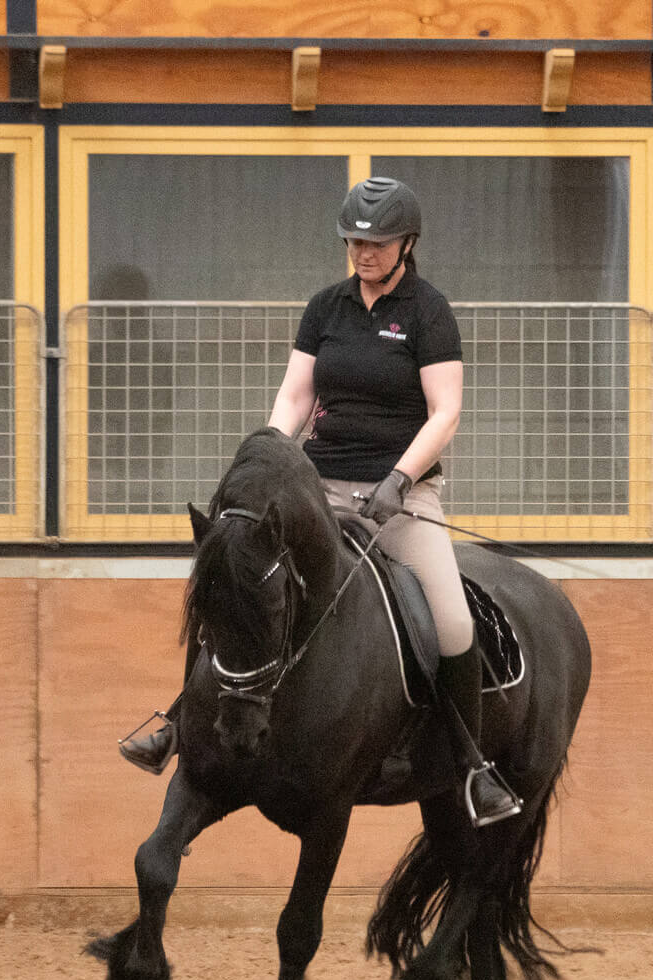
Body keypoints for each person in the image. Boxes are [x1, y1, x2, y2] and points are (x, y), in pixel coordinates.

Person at [119, 176, 520, 827]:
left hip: (401, 496)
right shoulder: (327, 307)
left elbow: (445, 412)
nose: (364, 252)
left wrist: (399, 479)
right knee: (245, 584)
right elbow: (296, 397)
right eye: (356, 241)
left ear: (406, 243)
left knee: (451, 622)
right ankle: (178, 722)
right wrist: (272, 461)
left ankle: (472, 766)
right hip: (318, 490)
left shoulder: (427, 310)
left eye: (378, 242)